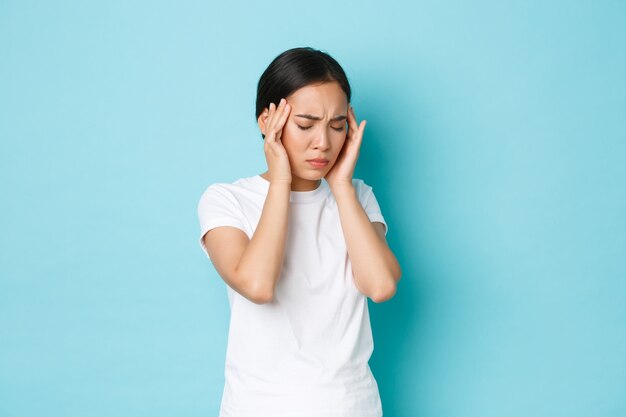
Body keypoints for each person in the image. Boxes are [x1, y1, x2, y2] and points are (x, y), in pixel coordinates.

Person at [197, 46, 402, 417]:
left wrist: (340, 187)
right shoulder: (226, 200)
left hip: (352, 407)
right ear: (267, 122)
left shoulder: (358, 197)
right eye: (306, 125)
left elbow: (381, 286)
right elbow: (258, 285)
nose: (323, 142)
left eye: (337, 125)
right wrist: (280, 180)